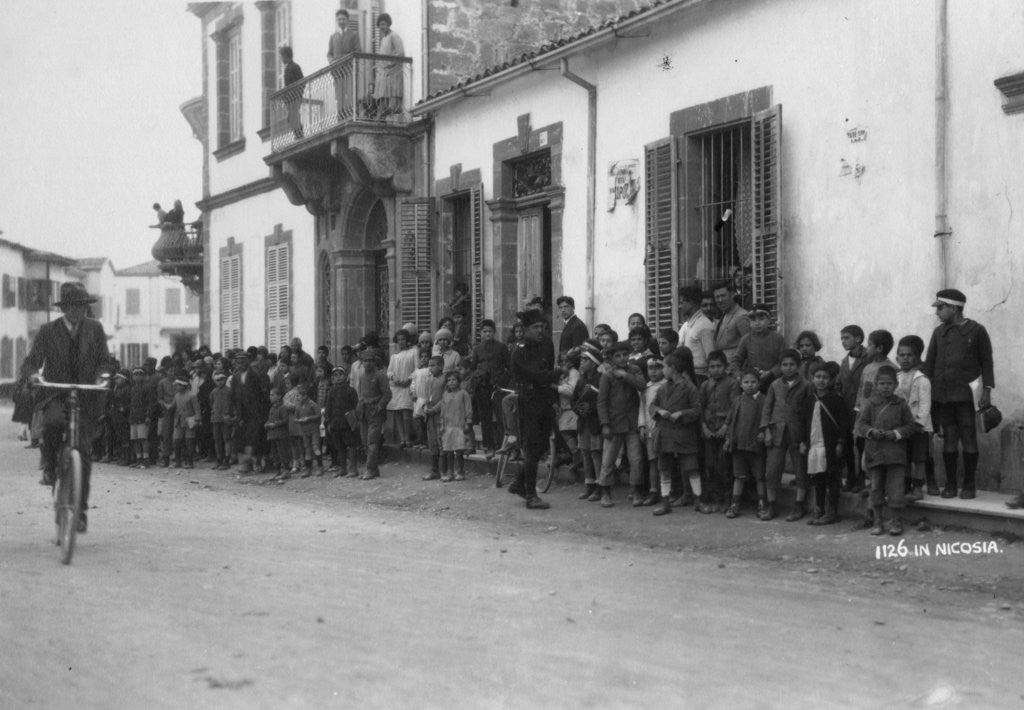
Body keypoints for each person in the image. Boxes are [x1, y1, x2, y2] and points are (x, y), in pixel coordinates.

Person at [20, 282, 114, 533]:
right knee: (51, 423)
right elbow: (31, 362)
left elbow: (105, 360)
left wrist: (102, 376)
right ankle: (50, 466)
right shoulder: (48, 331)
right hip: (56, 393)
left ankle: (80, 511)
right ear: (64, 309)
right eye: (71, 307)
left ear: (85, 308)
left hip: (85, 397)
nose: (76, 312)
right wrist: (33, 376)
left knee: (83, 453)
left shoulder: (95, 329)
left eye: (81, 307)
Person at [921, 289, 995, 499]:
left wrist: (987, 391)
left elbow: (987, 363)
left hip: (965, 396)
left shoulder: (977, 330)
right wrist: (924, 391)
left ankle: (969, 484)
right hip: (942, 395)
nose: (937, 313)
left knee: (968, 436)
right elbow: (930, 363)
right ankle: (951, 484)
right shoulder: (938, 332)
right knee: (949, 438)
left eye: (941, 308)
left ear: (953, 308)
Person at [856, 365, 920, 535]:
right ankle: (877, 520)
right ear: (876, 384)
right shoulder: (870, 404)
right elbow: (861, 424)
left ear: (896, 385)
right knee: (876, 488)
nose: (885, 387)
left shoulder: (901, 404)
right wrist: (871, 432)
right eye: (882, 383)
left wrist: (896, 433)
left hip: (896, 454)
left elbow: (911, 426)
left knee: (896, 489)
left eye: (889, 384)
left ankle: (895, 521)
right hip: (875, 454)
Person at [509, 308, 562, 509]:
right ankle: (531, 495)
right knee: (532, 448)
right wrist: (559, 373)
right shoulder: (519, 350)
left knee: (540, 447)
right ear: (526, 329)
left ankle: (517, 483)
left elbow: (547, 372)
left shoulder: (545, 345)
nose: (540, 330)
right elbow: (539, 375)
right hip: (529, 400)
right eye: (536, 327)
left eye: (542, 326)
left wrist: (553, 398)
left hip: (544, 398)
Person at [760, 348, 812, 521]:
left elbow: (809, 413)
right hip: (777, 432)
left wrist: (806, 438)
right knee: (772, 469)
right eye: (784, 365)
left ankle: (799, 505)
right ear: (780, 366)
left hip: (798, 433)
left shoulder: (806, 385)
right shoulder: (775, 385)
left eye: (792, 364)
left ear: (798, 366)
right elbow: (767, 409)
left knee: (800, 469)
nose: (788, 368)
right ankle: (771, 505)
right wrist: (766, 429)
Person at [649, 350, 702, 516]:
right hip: (665, 434)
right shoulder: (663, 388)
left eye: (664, 366)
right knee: (664, 469)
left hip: (684, 434)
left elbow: (697, 410)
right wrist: (659, 411)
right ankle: (665, 503)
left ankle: (698, 501)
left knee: (692, 468)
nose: (663, 370)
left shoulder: (689, 387)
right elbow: (652, 406)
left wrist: (682, 414)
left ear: (672, 368)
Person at [595, 342, 646, 508]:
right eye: (617, 356)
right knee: (608, 459)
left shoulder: (635, 371)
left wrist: (625, 375)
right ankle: (605, 491)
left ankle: (636, 490)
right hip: (614, 423)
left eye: (625, 355)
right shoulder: (607, 376)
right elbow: (601, 402)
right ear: (612, 358)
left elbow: (642, 385)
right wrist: (605, 424)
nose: (622, 358)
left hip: (632, 423)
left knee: (636, 459)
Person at [800, 362, 848, 525]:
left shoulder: (836, 400)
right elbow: (804, 423)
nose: (821, 380)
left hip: (830, 446)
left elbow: (843, 423)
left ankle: (831, 512)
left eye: (825, 377)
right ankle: (819, 509)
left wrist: (840, 443)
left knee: (832, 478)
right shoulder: (808, 400)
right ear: (812, 379)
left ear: (831, 380)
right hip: (814, 445)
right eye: (818, 377)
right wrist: (803, 442)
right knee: (818, 477)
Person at [699, 350, 740, 513]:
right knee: (710, 465)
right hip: (709, 429)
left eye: (718, 366)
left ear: (725, 367)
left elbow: (734, 407)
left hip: (725, 430)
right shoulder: (705, 385)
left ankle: (727, 499)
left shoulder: (732, 384)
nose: (715, 370)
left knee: (724, 466)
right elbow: (700, 407)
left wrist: (726, 427)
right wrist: (703, 426)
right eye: (712, 367)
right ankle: (715, 498)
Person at [895, 335, 935, 499]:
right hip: (903, 427)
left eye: (909, 355)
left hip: (919, 427)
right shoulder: (896, 378)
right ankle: (905, 486)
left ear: (917, 357)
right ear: (897, 357)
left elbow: (925, 404)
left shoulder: (922, 379)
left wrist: (919, 423)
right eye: (902, 355)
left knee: (919, 458)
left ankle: (918, 489)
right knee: (904, 457)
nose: (905, 358)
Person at [723, 369, 766, 518]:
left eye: (753, 382)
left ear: (759, 383)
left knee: (760, 476)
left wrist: (764, 431)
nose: (750, 385)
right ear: (740, 384)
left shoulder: (763, 400)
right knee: (739, 476)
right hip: (739, 445)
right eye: (746, 382)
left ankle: (762, 504)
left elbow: (766, 419)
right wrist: (729, 438)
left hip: (756, 445)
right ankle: (734, 504)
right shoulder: (738, 401)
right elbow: (731, 421)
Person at [470, 319, 510, 457]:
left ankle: (502, 445)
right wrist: (478, 376)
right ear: (481, 333)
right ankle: (489, 446)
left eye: (490, 331)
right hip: (483, 387)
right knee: (485, 418)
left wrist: (502, 381)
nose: (488, 334)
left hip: (497, 387)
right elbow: (473, 367)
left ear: (495, 332)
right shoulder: (477, 349)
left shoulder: (501, 347)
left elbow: (509, 368)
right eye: (485, 331)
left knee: (501, 417)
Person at [837, 325, 868, 492]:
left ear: (858, 339)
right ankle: (850, 476)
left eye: (846, 338)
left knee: (862, 444)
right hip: (847, 410)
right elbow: (840, 383)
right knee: (848, 444)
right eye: (842, 338)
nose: (843, 341)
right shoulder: (844, 361)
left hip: (863, 409)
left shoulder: (868, 358)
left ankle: (862, 478)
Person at [731, 303, 786, 392]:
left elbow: (784, 361)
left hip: (773, 382)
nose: (757, 323)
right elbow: (736, 360)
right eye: (753, 320)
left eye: (761, 319)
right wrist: (739, 375)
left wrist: (771, 372)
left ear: (769, 320)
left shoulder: (778, 339)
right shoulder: (746, 339)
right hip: (752, 384)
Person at [355, 349, 391, 480]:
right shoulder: (361, 376)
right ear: (362, 363)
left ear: (374, 362)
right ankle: (374, 469)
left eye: (370, 361)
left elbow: (387, 394)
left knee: (372, 441)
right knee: (365, 441)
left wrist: (380, 406)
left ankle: (370, 469)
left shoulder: (380, 376)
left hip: (375, 411)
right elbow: (360, 393)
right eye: (365, 361)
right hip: (363, 411)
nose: (368, 363)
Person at [637, 357, 668, 507]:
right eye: (650, 368)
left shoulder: (667, 386)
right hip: (649, 431)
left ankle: (666, 492)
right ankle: (653, 491)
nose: (654, 371)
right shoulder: (646, 387)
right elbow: (642, 408)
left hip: (662, 430)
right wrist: (642, 425)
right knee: (652, 462)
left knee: (664, 462)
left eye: (657, 367)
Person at [437, 371, 473, 482]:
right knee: (448, 451)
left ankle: (460, 472)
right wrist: (442, 424)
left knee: (459, 451)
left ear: (458, 381)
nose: (451, 382)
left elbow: (468, 409)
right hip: (448, 427)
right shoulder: (445, 395)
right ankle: (450, 472)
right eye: (449, 380)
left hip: (459, 426)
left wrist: (468, 422)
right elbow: (443, 411)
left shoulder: (463, 394)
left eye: (454, 380)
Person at [325, 367, 360, 478]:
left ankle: (353, 469)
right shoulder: (331, 391)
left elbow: (356, 406)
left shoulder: (351, 390)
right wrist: (328, 421)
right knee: (339, 447)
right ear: (332, 378)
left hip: (348, 423)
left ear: (345, 376)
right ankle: (343, 468)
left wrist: (354, 421)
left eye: (340, 374)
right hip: (335, 423)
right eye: (335, 375)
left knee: (351, 446)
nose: (338, 377)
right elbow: (328, 408)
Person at [327, 8, 361, 119]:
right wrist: (332, 61)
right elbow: (329, 54)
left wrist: (345, 59)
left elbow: (358, 51)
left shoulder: (354, 35)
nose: (341, 21)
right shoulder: (333, 36)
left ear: (348, 20)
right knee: (339, 95)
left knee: (349, 94)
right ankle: (340, 117)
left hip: (349, 69)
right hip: (337, 71)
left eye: (343, 19)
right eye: (339, 19)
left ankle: (350, 116)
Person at [386, 329, 417, 448]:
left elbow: (416, 368)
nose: (401, 342)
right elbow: (389, 371)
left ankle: (408, 438)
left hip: (408, 386)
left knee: (406, 413)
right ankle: (402, 439)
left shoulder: (413, 352)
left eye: (403, 339)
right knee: (398, 413)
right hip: (397, 387)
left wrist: (409, 379)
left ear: (407, 340)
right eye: (398, 340)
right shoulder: (394, 356)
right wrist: (395, 379)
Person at [677, 286, 715, 381]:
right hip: (685, 375)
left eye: (682, 302)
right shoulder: (686, 325)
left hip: (700, 377)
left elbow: (711, 356)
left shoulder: (704, 325)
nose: (680, 306)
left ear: (692, 303)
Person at [372, 13, 405, 118]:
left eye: (384, 24)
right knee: (382, 97)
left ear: (388, 24)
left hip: (393, 72)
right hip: (384, 72)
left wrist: (389, 64)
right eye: (380, 24)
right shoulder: (383, 39)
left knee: (392, 97)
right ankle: (380, 117)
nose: (382, 27)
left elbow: (400, 52)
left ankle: (387, 116)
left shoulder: (394, 36)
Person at [419, 355, 447, 480]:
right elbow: (425, 395)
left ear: (441, 366)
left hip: (441, 415)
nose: (430, 368)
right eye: (429, 365)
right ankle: (434, 470)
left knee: (441, 441)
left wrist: (434, 409)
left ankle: (445, 470)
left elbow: (445, 398)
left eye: (433, 365)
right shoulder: (429, 379)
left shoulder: (445, 379)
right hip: (429, 415)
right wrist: (425, 406)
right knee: (432, 442)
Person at [712, 281, 750, 369]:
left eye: (723, 296)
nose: (720, 300)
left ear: (732, 294)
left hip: (735, 369)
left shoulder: (741, 316)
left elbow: (749, 346)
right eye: (717, 297)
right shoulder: (725, 314)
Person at [128, 367, 156, 468]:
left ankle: (146, 460)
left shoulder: (147, 388)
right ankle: (138, 460)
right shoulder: (132, 388)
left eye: (140, 374)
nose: (137, 376)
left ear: (143, 376)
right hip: (133, 417)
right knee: (135, 439)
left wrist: (148, 415)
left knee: (143, 439)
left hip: (143, 417)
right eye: (135, 374)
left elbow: (150, 403)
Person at [171, 374, 200, 469]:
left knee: (189, 442)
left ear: (184, 385)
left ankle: (190, 462)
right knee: (176, 441)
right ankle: (178, 462)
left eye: (179, 385)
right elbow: (173, 406)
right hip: (178, 421)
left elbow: (197, 409)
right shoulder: (176, 395)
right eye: (176, 385)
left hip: (189, 421)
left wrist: (197, 419)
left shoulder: (192, 395)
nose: (177, 387)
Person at [208, 371, 234, 470]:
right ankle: (219, 459)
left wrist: (231, 415)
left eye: (222, 379)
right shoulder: (213, 392)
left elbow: (233, 403)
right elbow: (211, 402)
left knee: (227, 438)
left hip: (226, 417)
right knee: (217, 440)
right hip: (216, 418)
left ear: (225, 379)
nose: (220, 382)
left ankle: (227, 460)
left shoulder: (229, 391)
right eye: (217, 380)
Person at [265, 389, 292, 481]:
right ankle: (278, 470)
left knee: (283, 452)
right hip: (272, 434)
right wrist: (267, 424)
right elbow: (270, 419)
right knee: (275, 453)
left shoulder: (283, 408)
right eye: (270, 394)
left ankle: (286, 470)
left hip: (281, 434)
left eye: (273, 395)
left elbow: (285, 420)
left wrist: (275, 424)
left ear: (279, 396)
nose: (270, 397)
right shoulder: (272, 408)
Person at [279, 45, 304, 139]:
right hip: (291, 98)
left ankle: (299, 135)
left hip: (294, 97)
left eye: (282, 56)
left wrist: (296, 93)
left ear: (286, 56)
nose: (281, 59)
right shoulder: (289, 67)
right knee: (292, 118)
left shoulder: (294, 67)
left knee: (294, 117)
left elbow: (302, 81)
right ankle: (298, 135)